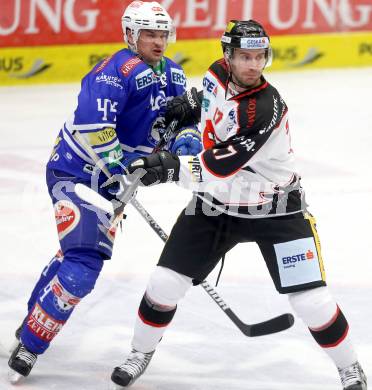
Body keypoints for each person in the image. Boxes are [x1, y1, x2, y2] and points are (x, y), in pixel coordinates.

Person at [109, 20, 367, 390]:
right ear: (227, 56)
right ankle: (140, 351)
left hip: (276, 209)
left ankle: (351, 367)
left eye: (259, 57)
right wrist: (193, 107)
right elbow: (213, 111)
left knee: (312, 301)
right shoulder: (215, 75)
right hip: (215, 207)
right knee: (164, 284)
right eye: (245, 56)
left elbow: (216, 167)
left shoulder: (264, 108)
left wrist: (166, 169)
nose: (253, 64)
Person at [8, 0, 202, 382]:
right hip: (77, 174)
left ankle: (30, 321)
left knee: (74, 252)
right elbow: (95, 127)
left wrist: (185, 140)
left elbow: (176, 125)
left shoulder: (175, 75)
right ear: (131, 34)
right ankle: (31, 343)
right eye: (149, 34)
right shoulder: (112, 73)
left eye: (162, 34)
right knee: (84, 264)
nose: (158, 42)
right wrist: (123, 169)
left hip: (115, 186)